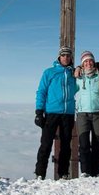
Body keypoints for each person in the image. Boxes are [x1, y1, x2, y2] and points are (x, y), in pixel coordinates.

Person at [34, 46, 77, 180]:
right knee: (46, 144)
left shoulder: (74, 73)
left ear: (71, 58)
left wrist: (79, 69)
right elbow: (41, 91)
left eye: (68, 56)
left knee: (66, 146)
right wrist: (39, 112)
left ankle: (63, 173)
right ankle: (40, 174)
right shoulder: (49, 72)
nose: (66, 58)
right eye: (63, 55)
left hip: (68, 114)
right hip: (51, 113)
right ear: (59, 57)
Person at [75, 51, 99, 177]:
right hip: (82, 114)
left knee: (97, 145)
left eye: (90, 60)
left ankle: (95, 172)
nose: (88, 63)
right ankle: (85, 172)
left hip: (98, 114)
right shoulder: (78, 77)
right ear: (82, 64)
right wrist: (77, 68)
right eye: (85, 61)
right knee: (83, 145)